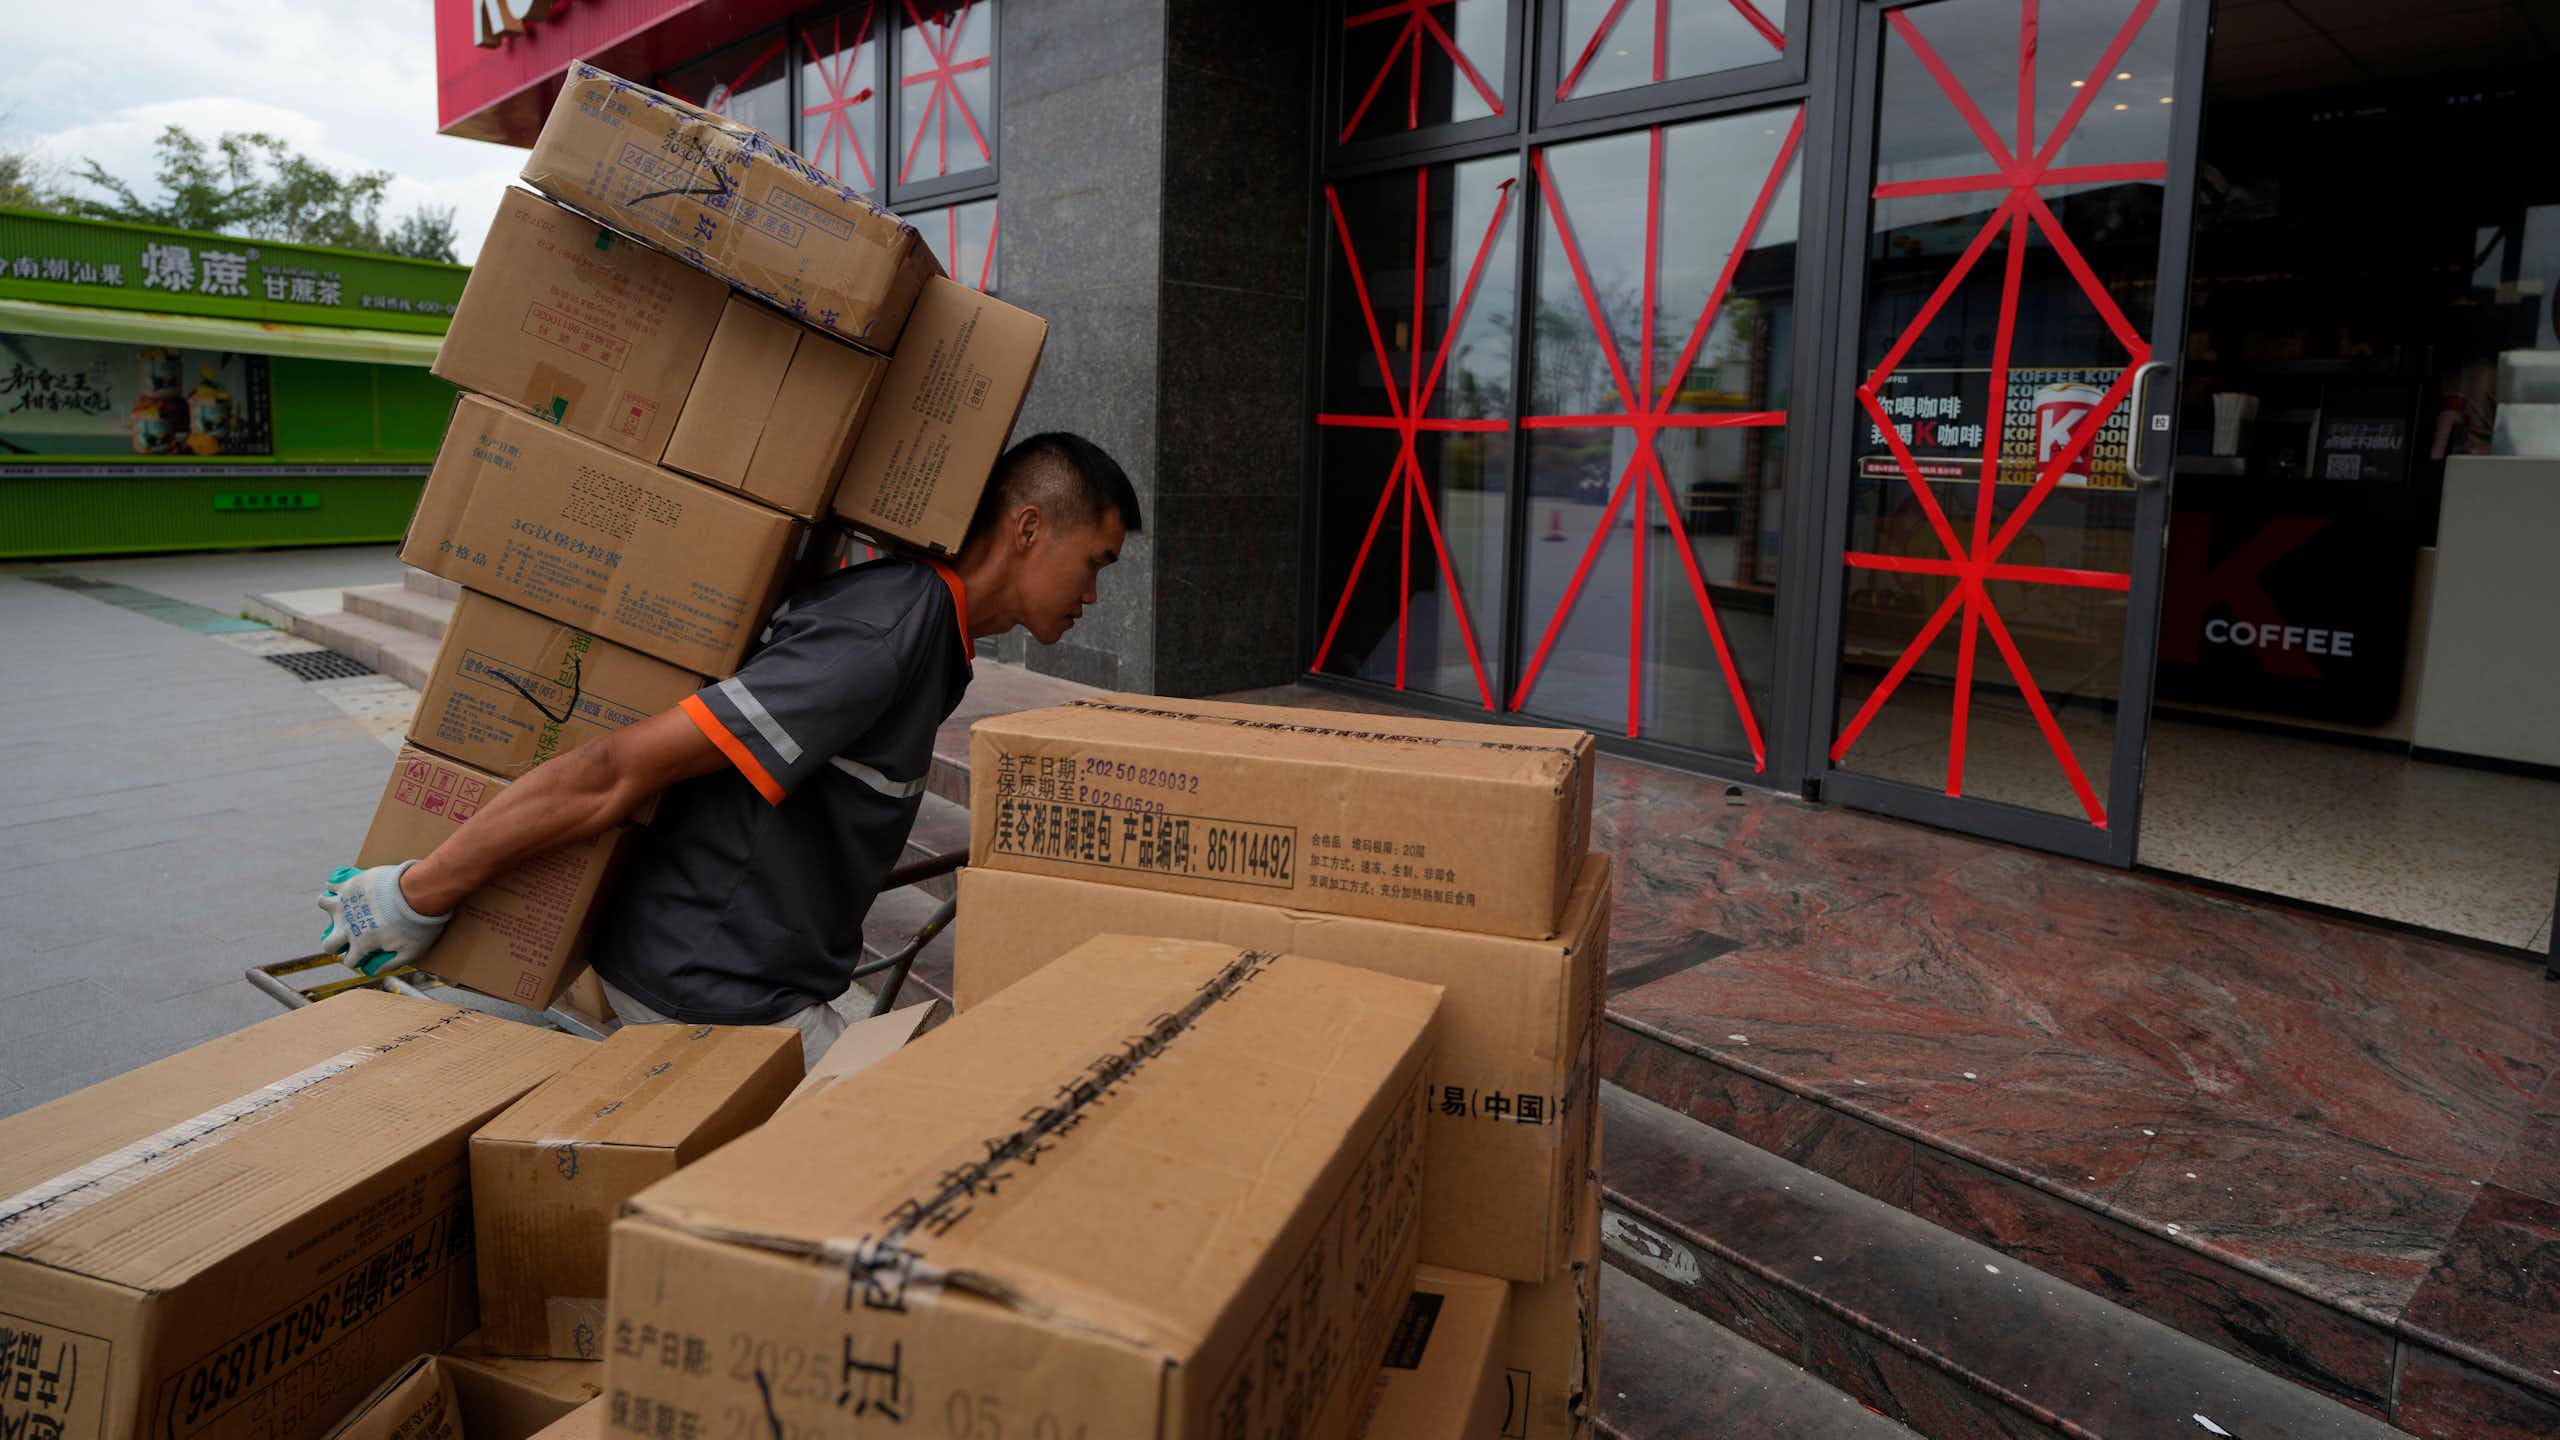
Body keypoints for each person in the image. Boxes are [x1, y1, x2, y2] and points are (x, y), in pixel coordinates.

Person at [316, 431, 1140, 1062]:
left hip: (756, 977)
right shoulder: (879, 640)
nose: (1094, 594)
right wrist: (418, 892)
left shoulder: (937, 638)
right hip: (715, 991)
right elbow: (615, 771)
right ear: (1029, 528)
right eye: (1095, 562)